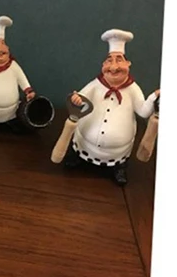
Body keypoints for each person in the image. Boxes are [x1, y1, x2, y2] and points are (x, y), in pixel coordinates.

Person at [64, 29, 159, 186]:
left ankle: (119, 168)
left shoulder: (133, 89)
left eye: (119, 60)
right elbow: (81, 99)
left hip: (118, 150)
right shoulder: (95, 84)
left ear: (128, 64)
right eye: (109, 61)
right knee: (77, 153)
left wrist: (153, 97)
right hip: (86, 141)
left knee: (119, 162)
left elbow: (143, 112)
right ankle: (76, 157)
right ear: (103, 65)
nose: (114, 67)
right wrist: (77, 99)